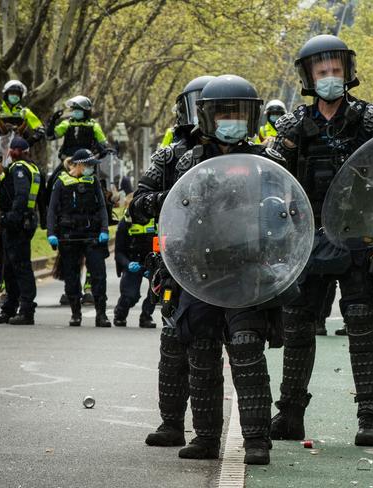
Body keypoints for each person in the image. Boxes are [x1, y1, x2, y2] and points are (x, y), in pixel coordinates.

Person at [134, 75, 282, 465]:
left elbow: (290, 215)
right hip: (198, 272)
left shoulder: (269, 161)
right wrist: (178, 198)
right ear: (206, 116)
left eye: (238, 113)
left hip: (248, 271)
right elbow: (153, 206)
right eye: (222, 113)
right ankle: (205, 438)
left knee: (248, 350)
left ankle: (256, 441)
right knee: (200, 352)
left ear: (251, 117)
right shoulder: (187, 161)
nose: (230, 120)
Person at [270, 35, 373, 446]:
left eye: (335, 70)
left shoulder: (372, 122)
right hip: (309, 240)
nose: (329, 77)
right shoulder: (290, 127)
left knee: (362, 326)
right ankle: (289, 415)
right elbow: (275, 184)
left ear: (347, 73)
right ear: (309, 77)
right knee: (298, 328)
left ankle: (370, 417)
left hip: (359, 240)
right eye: (321, 71)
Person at [129, 75, 213, 449]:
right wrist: (174, 197)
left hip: (231, 262)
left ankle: (221, 433)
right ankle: (171, 424)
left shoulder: (244, 154)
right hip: (179, 260)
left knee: (232, 347)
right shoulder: (170, 155)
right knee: (173, 342)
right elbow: (137, 204)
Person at [46, 149, 111, 327]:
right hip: (69, 236)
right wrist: (51, 233)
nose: (92, 169)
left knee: (98, 275)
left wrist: (104, 229)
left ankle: (101, 314)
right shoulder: (61, 181)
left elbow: (102, 208)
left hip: (92, 235)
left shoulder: (93, 181)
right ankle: (76, 313)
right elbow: (52, 210)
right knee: (71, 276)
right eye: (89, 165)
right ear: (80, 164)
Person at [0, 137, 43, 325]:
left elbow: (21, 196)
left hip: (16, 224)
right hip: (24, 222)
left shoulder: (19, 169)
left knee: (20, 268)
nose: (8, 153)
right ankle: (10, 307)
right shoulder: (33, 167)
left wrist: (10, 218)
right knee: (10, 268)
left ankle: (26, 310)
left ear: (16, 151)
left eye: (11, 149)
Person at [113, 211, 156, 328]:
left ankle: (146, 316)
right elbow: (118, 252)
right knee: (130, 296)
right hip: (132, 262)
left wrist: (156, 265)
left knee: (157, 290)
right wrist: (128, 264)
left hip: (152, 262)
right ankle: (120, 314)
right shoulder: (125, 223)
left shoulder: (157, 220)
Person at [46, 95, 109, 160]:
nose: (75, 112)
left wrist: (100, 151)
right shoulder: (67, 123)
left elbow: (104, 145)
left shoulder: (94, 125)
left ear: (86, 111)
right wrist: (53, 120)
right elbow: (50, 136)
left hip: (87, 161)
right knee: (58, 171)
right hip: (68, 161)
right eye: (74, 109)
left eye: (78, 110)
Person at [0, 80, 44, 147]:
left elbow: (40, 130)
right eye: (12, 93)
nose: (15, 96)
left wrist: (29, 142)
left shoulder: (25, 112)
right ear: (6, 94)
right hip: (1, 147)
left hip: (20, 148)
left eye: (18, 94)